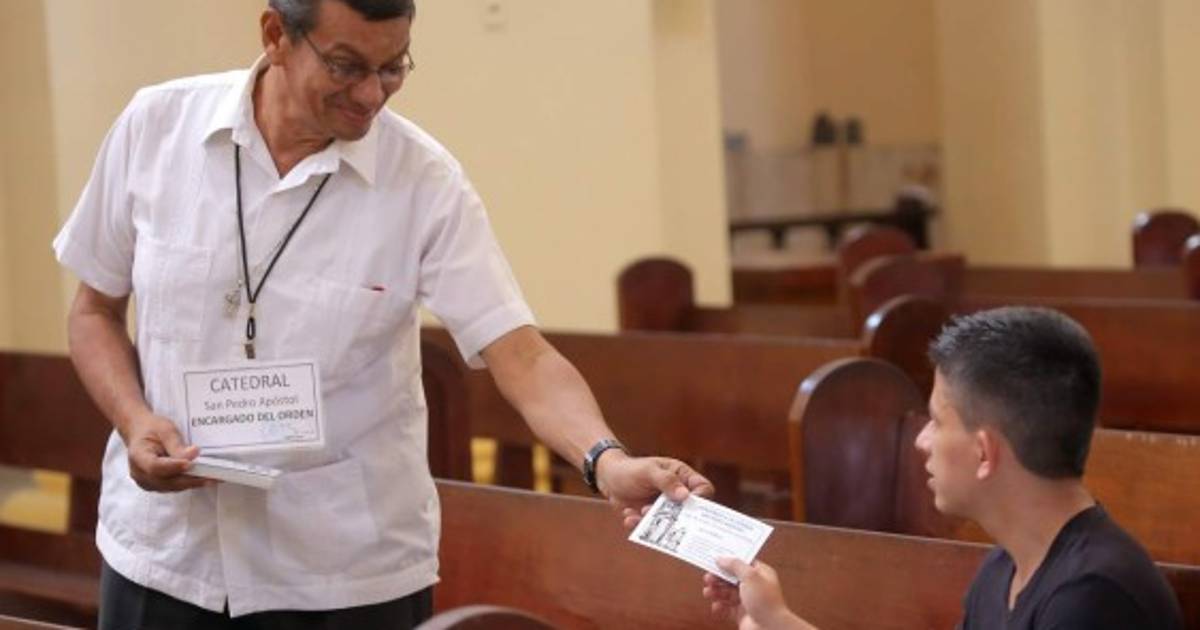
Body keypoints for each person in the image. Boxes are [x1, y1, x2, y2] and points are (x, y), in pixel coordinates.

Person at [53, 1, 712, 628]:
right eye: (345, 66)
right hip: (165, 558)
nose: (371, 94)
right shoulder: (157, 128)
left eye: (393, 67)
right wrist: (134, 420)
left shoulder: (424, 181)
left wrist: (606, 462)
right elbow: (94, 311)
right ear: (275, 35)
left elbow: (522, 355)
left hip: (344, 574)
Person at [701, 307, 1183, 629]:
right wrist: (777, 621)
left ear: (984, 453)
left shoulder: (1093, 598)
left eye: (936, 420)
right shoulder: (1008, 565)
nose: (922, 440)